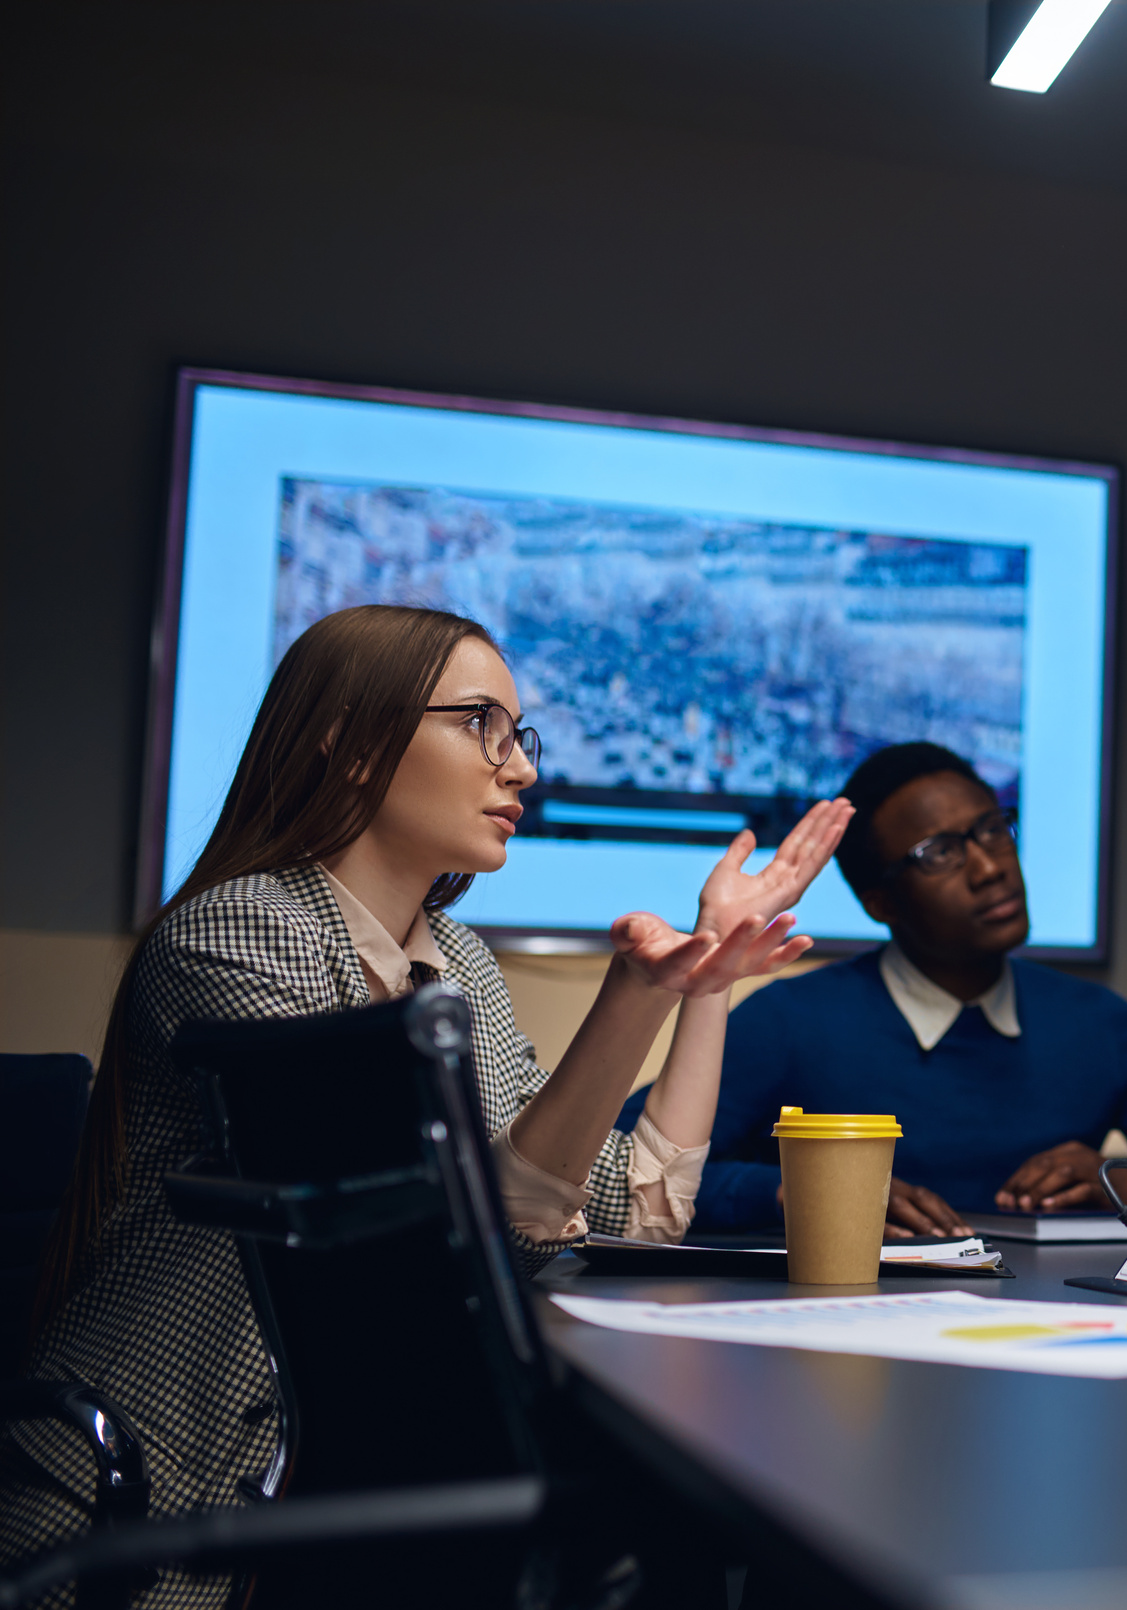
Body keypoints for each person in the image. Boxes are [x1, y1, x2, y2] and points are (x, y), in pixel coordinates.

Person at [2, 605, 852, 1605]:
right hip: (150, 1501)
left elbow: (638, 1207)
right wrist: (633, 993)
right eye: (478, 722)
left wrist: (699, 981)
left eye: (519, 734)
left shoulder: (460, 971)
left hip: (328, 1494)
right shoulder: (236, 932)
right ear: (349, 741)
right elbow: (445, 1228)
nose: (520, 768)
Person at [681, 742, 1127, 1235]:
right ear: (879, 901)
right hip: (844, 1333)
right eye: (940, 853)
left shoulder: (1097, 1023)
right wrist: (801, 1193)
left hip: (1046, 1334)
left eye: (994, 830)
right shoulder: (792, 1021)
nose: (990, 867)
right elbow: (627, 1170)